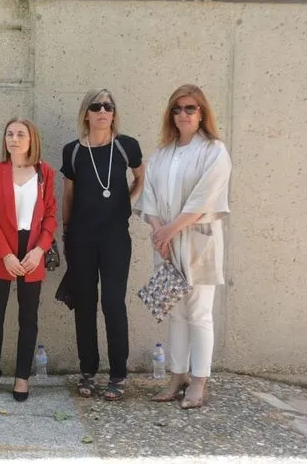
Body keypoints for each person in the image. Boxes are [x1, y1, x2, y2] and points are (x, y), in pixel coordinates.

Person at [135, 84, 231, 409]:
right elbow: (149, 196)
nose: (183, 114)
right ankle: (178, 376)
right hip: (165, 242)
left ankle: (199, 380)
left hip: (199, 241)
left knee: (200, 313)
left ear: (202, 112)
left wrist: (169, 230)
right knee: (175, 312)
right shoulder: (162, 153)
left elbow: (205, 197)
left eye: (190, 108)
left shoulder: (213, 150)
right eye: (177, 109)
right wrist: (158, 231)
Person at [60, 89, 144, 401]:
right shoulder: (72, 151)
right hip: (80, 237)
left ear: (114, 113)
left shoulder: (126, 146)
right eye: (96, 106)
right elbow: (68, 196)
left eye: (108, 106)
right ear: (86, 113)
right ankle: (88, 371)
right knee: (85, 304)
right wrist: (66, 233)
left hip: (115, 238)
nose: (103, 111)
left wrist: (125, 204)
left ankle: (118, 374)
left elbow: (141, 178)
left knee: (112, 302)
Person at [0, 118, 57, 402]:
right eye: (9, 134)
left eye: (20, 134)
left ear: (31, 139)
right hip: (1, 250)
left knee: (28, 317)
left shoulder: (44, 172)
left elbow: (50, 216)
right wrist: (6, 254)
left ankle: (22, 377)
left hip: (32, 249)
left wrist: (39, 250)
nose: (14, 139)